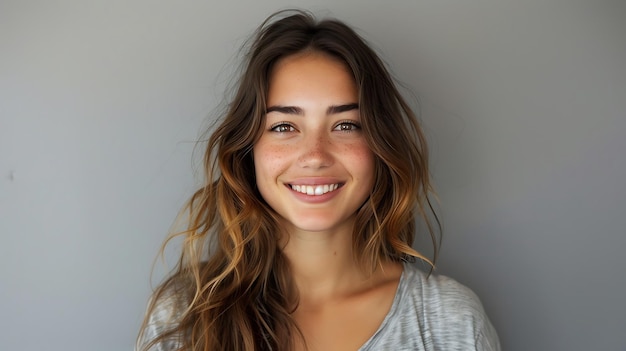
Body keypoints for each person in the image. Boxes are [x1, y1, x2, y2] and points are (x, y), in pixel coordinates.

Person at [137, 9, 500, 351]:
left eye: (345, 125)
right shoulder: (184, 315)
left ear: (379, 146)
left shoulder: (450, 322)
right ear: (249, 151)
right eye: (284, 126)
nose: (315, 155)